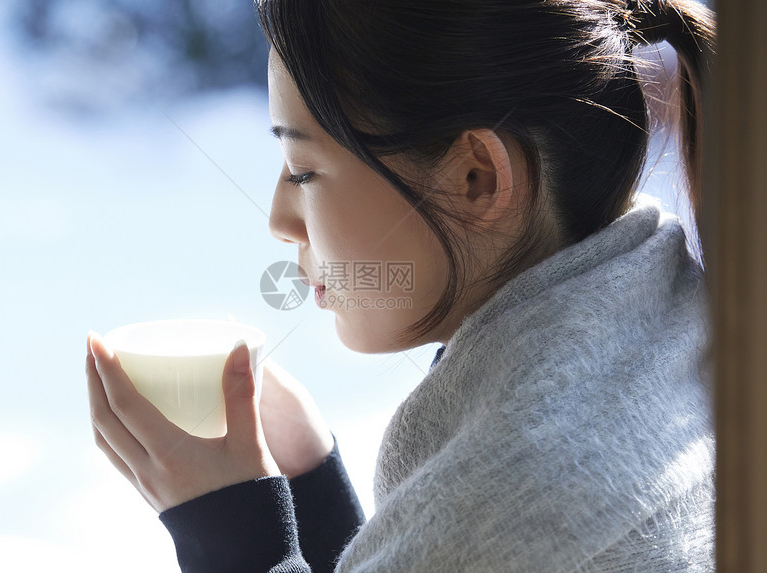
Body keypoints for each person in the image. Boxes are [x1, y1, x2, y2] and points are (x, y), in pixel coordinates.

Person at [85, 0, 716, 570]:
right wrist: (312, 488)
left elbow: (483, 534)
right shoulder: (682, 326)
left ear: (476, 179)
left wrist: (227, 534)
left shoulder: (515, 489)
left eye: (303, 170)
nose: (278, 221)